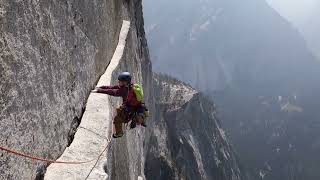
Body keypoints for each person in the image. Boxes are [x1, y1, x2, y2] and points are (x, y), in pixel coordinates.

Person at [92, 72, 147, 138]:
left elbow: (113, 92)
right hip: (133, 107)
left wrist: (99, 90)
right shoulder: (130, 86)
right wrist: (99, 87)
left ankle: (119, 133)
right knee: (119, 110)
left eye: (120, 81)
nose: (118, 82)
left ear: (125, 82)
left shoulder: (125, 91)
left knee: (117, 119)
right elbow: (112, 87)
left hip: (132, 110)